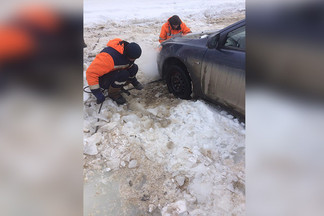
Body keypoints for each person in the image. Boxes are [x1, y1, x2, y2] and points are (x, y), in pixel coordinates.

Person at [86, 38, 143, 105]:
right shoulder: (108, 57)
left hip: (114, 74)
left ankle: (120, 85)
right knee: (123, 74)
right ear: (126, 54)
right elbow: (91, 73)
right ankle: (113, 94)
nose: (133, 60)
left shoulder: (128, 55)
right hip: (103, 80)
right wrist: (97, 93)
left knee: (134, 67)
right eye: (132, 58)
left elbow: (128, 66)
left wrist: (134, 81)